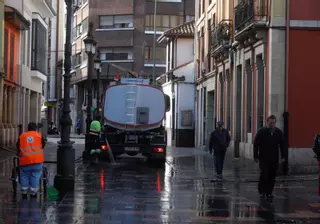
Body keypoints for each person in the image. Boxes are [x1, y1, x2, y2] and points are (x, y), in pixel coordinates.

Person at [254, 115, 285, 199]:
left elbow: (282, 145)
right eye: (270, 123)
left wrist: (283, 156)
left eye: (273, 123)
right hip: (263, 157)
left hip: (274, 158)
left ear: (275, 123)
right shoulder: (261, 131)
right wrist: (255, 156)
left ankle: (269, 192)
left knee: (272, 176)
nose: (272, 124)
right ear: (267, 122)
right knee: (264, 174)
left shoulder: (279, 132)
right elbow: (256, 144)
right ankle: (262, 191)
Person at [16, 122, 46, 199]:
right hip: (37, 161)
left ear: (27, 128)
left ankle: (24, 193)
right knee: (35, 176)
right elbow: (43, 145)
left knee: (24, 176)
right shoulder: (39, 136)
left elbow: (18, 146)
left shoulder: (22, 136)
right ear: (35, 128)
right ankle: (33, 193)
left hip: (24, 161)